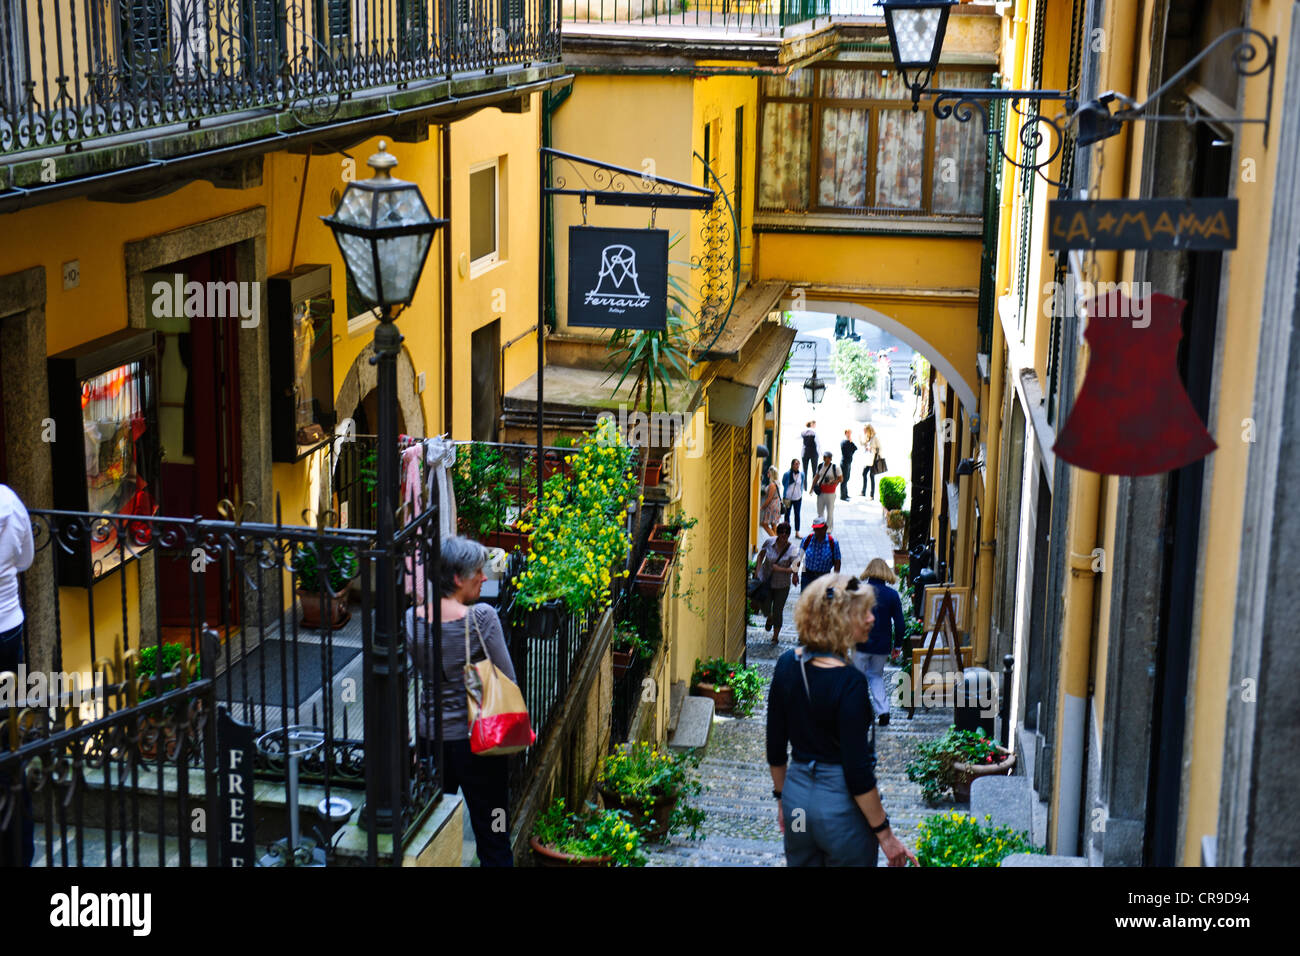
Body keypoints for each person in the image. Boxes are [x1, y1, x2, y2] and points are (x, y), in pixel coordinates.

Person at [766, 573, 917, 867]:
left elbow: (775, 747)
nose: (872, 619)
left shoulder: (786, 665)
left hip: (797, 807)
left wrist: (783, 801)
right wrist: (886, 836)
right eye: (864, 613)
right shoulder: (851, 683)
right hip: (839, 813)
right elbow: (857, 771)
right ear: (840, 619)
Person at [408, 536, 518, 867]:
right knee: (494, 832)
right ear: (457, 578)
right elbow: (508, 678)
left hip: (431, 740)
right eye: (477, 572)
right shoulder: (482, 618)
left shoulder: (411, 620)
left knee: (427, 829)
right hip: (479, 742)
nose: (484, 577)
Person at [0, 483, 34, 867]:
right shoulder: (9, 501)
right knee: (10, 740)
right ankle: (20, 850)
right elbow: (25, 560)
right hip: (8, 628)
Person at [852, 558, 907, 727]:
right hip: (882, 645)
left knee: (858, 678)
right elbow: (899, 623)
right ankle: (883, 711)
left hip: (860, 643)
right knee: (876, 676)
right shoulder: (892, 595)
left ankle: (861, 712)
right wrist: (897, 645)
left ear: (869, 571)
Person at [756, 522, 799, 644]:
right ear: (778, 532)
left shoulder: (793, 550)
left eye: (786, 533)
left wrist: (781, 569)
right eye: (781, 532)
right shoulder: (769, 542)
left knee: (778, 610)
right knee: (765, 606)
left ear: (789, 534)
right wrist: (758, 572)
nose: (783, 535)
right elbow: (760, 556)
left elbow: (796, 568)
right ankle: (769, 618)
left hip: (782, 585)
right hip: (766, 581)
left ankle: (775, 636)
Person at [799, 518, 841, 590]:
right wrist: (794, 574)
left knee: (824, 600)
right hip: (807, 576)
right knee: (807, 600)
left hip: (825, 577)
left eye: (820, 529)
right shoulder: (806, 540)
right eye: (816, 529)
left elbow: (837, 562)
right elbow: (798, 558)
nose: (818, 531)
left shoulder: (833, 543)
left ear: (825, 528)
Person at [812, 452, 841, 532]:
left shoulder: (835, 468)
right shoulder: (820, 466)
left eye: (827, 458)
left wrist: (833, 482)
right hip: (821, 492)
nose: (826, 459)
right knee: (820, 511)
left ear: (831, 459)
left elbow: (841, 479)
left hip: (830, 493)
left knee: (830, 511)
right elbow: (816, 477)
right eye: (824, 457)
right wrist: (812, 488)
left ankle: (829, 527)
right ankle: (819, 526)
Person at [781, 459, 805, 535]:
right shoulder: (787, 474)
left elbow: (801, 484)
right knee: (787, 514)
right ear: (792, 465)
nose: (797, 465)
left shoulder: (801, 474)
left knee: (797, 514)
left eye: (798, 464)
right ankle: (786, 531)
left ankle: (797, 532)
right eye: (796, 464)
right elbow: (783, 482)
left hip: (798, 498)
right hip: (788, 498)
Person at [861, 424, 882, 498]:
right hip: (868, 460)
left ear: (869, 430)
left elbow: (879, 448)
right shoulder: (868, 438)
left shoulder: (875, 438)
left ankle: (871, 495)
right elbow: (863, 444)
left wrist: (872, 449)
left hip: (873, 460)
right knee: (864, 474)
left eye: (865, 430)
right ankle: (863, 492)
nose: (864, 432)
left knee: (871, 476)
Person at [760, 466, 782, 537]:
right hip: (776, 505)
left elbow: (769, 498)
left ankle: (775, 540)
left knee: (764, 524)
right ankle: (776, 543)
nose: (767, 474)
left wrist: (762, 507)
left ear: (771, 474)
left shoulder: (772, 485)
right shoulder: (777, 483)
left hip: (772, 506)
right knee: (773, 524)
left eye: (768, 472)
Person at [839, 430, 857, 502]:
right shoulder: (844, 442)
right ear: (845, 433)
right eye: (848, 433)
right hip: (844, 463)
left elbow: (855, 448)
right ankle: (842, 496)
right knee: (844, 479)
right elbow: (848, 452)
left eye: (850, 433)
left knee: (847, 478)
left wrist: (851, 442)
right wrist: (850, 443)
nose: (850, 435)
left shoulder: (849, 442)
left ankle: (845, 494)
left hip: (848, 462)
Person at [801, 421, 819, 487]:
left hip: (805, 452)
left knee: (804, 470)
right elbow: (818, 444)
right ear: (811, 424)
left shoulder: (803, 432)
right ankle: (814, 487)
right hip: (813, 453)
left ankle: (804, 487)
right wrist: (820, 453)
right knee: (814, 471)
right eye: (814, 424)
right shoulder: (814, 432)